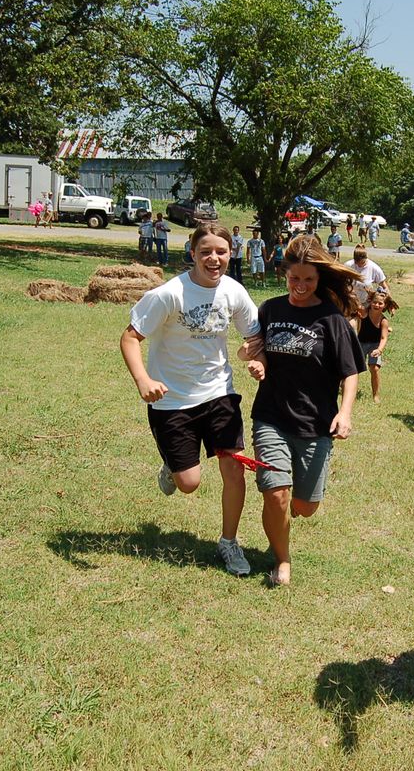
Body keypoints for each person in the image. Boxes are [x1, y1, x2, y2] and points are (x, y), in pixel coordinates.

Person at [120, 223, 262, 576]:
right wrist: (143, 379)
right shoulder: (169, 294)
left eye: (221, 252)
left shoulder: (234, 291)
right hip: (172, 400)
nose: (214, 259)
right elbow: (129, 338)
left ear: (232, 254)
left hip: (219, 394)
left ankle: (229, 543)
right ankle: (173, 465)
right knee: (189, 483)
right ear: (192, 253)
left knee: (234, 469)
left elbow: (255, 337)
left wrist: (252, 355)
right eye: (206, 252)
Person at [242, 237, 365, 586]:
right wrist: (256, 362)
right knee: (275, 493)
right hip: (271, 415)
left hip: (315, 423)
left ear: (319, 279)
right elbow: (255, 350)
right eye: (294, 279)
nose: (300, 286)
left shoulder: (331, 319)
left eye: (308, 280)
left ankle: (299, 503)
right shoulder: (270, 309)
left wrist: (346, 412)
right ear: (285, 275)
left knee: (305, 507)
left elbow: (350, 371)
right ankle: (282, 560)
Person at [358, 290, 390, 403]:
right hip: (360, 343)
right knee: (353, 369)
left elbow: (383, 338)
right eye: (375, 302)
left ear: (385, 305)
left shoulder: (384, 321)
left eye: (380, 303)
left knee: (375, 368)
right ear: (370, 302)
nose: (377, 305)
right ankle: (346, 387)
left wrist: (379, 349)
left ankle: (375, 395)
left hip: (375, 345)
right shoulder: (363, 313)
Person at [345, 244, 389, 311]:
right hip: (350, 302)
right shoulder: (348, 265)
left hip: (366, 304)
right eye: (356, 263)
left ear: (366, 258)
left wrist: (388, 302)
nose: (358, 265)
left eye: (362, 263)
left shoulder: (374, 268)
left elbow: (385, 287)